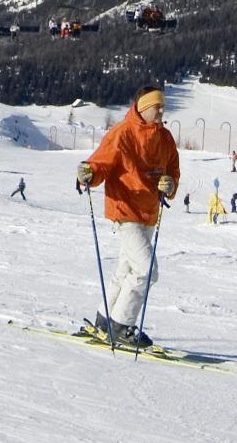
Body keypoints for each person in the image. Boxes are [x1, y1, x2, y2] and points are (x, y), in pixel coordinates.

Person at [76, 84, 180, 349]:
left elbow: (172, 172)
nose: (161, 111)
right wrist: (88, 172)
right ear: (144, 108)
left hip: (149, 212)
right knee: (146, 270)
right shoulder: (122, 134)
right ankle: (122, 325)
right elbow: (100, 163)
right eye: (158, 107)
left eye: (163, 107)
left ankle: (104, 319)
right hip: (125, 210)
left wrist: (169, 185)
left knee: (127, 269)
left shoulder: (165, 138)